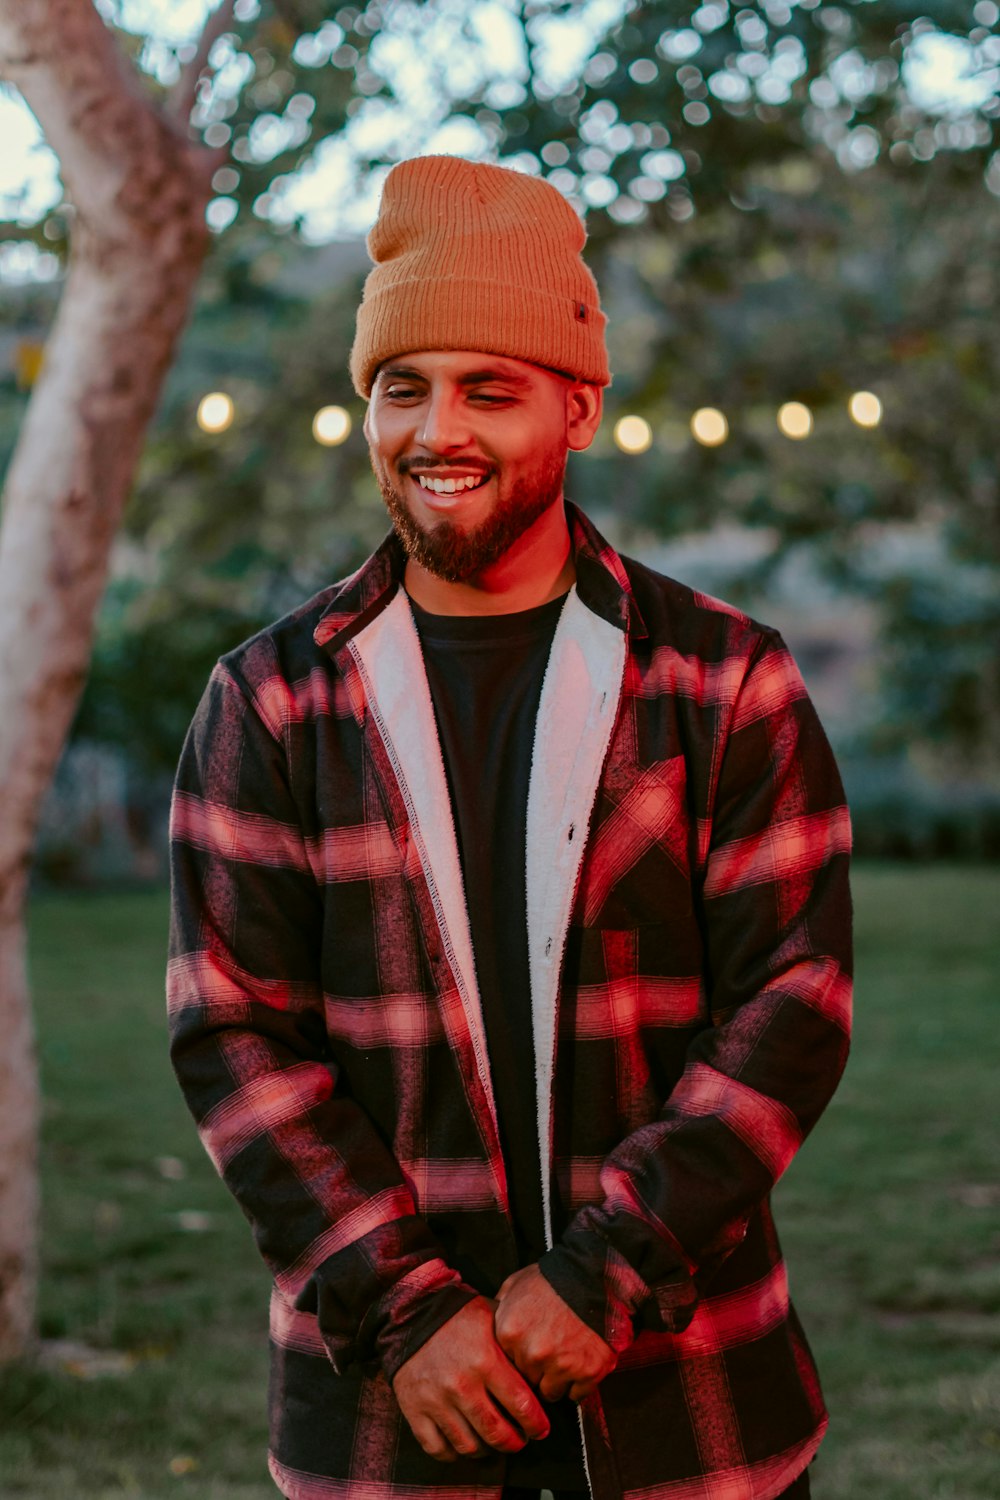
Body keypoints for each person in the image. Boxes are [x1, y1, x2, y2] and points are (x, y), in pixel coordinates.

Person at [168, 155, 852, 1500]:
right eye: (402, 387)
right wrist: (410, 1311)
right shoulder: (271, 697)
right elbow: (233, 1031)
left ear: (580, 406)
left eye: (492, 388)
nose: (440, 429)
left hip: (691, 1400)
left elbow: (795, 1003)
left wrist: (607, 1273)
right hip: (387, 1411)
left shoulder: (721, 679)